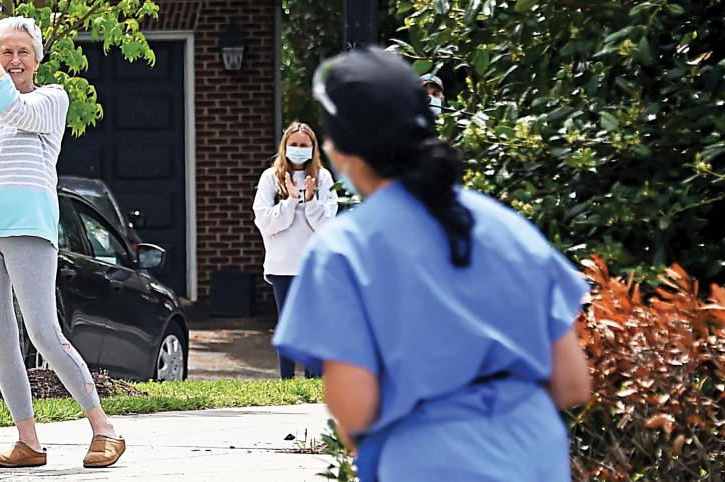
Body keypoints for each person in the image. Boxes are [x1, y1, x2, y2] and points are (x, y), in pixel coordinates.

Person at [273, 48, 592, 481]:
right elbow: (573, 381)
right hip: (536, 457)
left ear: (343, 150)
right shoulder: (508, 229)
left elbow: (356, 411)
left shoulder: (345, 251)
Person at [0, 5, 124, 469]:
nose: (14, 59)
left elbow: (14, 106)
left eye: (22, 52)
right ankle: (28, 442)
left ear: (37, 59)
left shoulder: (50, 99)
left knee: (42, 331)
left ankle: (104, 429)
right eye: (5, 51)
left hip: (28, 229)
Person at [253, 122, 338, 379]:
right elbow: (265, 223)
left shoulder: (323, 179)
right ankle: (287, 381)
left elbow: (327, 225)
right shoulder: (270, 178)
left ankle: (313, 380)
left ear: (313, 148)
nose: (299, 150)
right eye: (294, 145)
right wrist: (290, 201)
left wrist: (310, 201)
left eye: (304, 145)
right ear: (285, 146)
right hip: (283, 265)